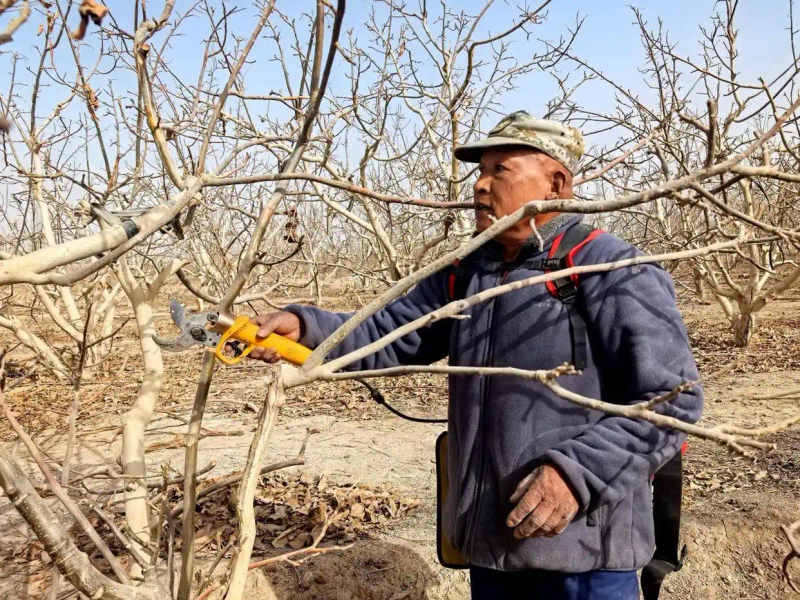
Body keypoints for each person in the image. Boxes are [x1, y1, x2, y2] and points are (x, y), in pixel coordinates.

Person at [248, 111, 704, 600]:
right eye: (478, 172)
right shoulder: (469, 271)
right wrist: (307, 329)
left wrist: (576, 475)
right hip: (491, 546)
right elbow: (392, 332)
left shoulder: (612, 268)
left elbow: (672, 403)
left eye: (499, 171)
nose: (481, 186)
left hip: (584, 553)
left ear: (556, 182)